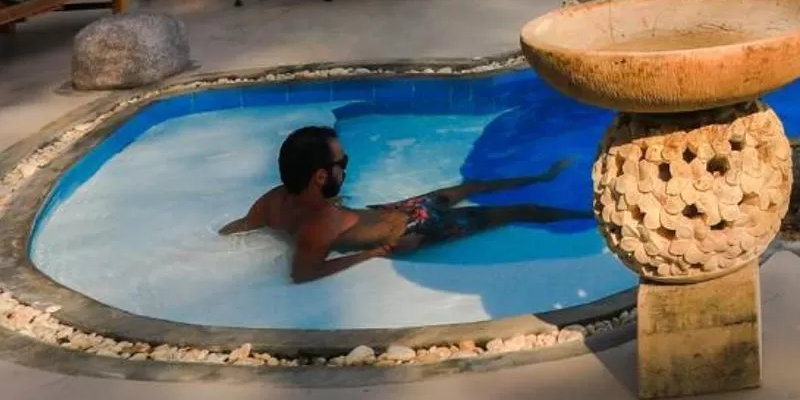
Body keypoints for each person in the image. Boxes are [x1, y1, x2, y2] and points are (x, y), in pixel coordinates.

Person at [218, 126, 585, 283]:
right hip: (417, 229)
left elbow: (238, 228)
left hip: (395, 210)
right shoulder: (320, 226)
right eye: (341, 165)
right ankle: (591, 216)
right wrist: (375, 253)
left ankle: (543, 177)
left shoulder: (272, 200)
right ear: (319, 176)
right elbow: (303, 275)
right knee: (524, 211)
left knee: (471, 185)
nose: (346, 168)